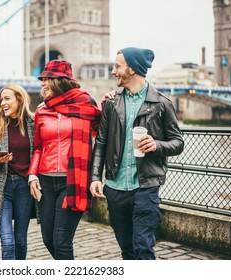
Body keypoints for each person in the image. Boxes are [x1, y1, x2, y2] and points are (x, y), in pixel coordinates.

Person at [90, 47, 185, 260]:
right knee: (126, 248)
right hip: (115, 187)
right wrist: (96, 177)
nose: (113, 71)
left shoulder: (161, 103)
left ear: (132, 69)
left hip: (145, 187)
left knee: (143, 247)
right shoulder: (112, 103)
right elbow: (101, 142)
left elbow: (178, 142)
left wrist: (157, 145)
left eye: (117, 66)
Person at [28, 60, 101, 260]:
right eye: (42, 80)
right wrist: (32, 174)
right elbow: (38, 147)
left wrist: (111, 101)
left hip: (73, 181)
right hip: (46, 180)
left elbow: (104, 134)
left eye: (47, 79)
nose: (42, 84)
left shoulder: (85, 104)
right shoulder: (42, 111)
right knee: (47, 239)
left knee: (61, 240)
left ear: (60, 81)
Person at [0, 84, 35, 260]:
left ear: (19, 99)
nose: (2, 103)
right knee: (7, 242)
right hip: (1, 188)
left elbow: (39, 152)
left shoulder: (33, 123)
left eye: (7, 99)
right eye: (1, 100)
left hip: (24, 188)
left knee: (20, 240)